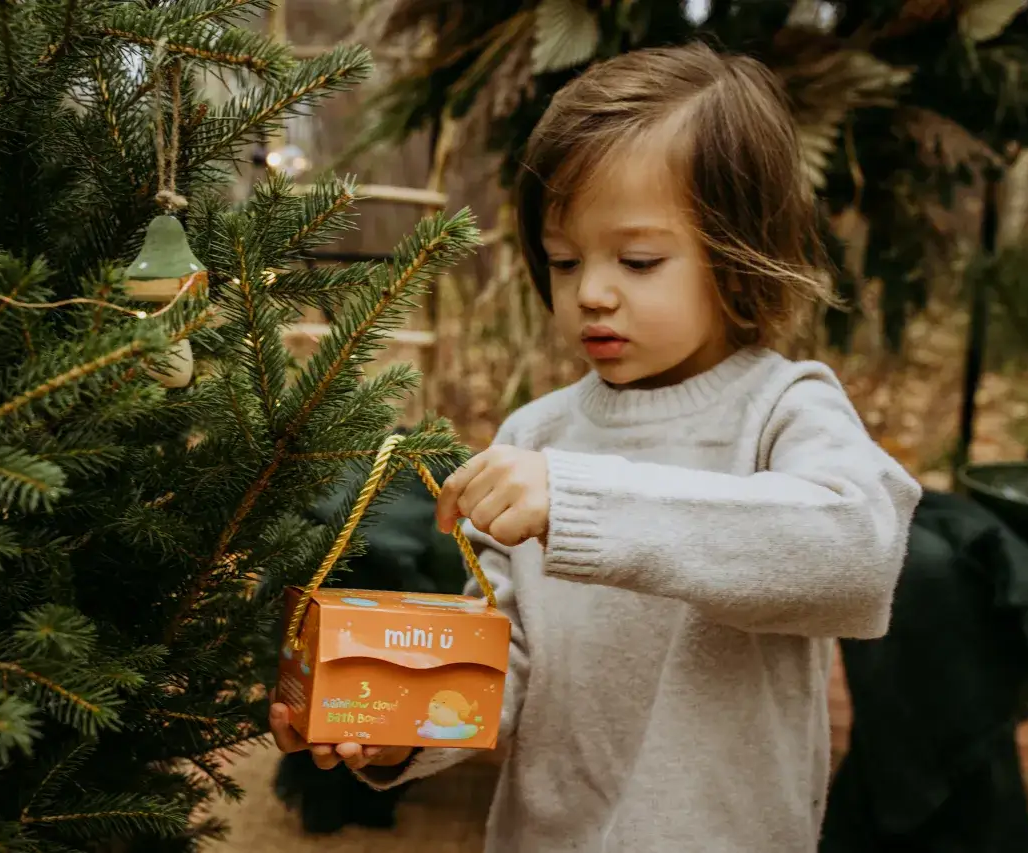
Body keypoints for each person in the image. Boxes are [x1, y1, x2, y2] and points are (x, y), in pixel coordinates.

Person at [270, 41, 921, 852]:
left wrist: (579, 503)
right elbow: (493, 665)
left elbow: (855, 553)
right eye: (564, 260)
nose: (592, 292)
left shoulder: (783, 408)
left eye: (639, 260)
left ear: (743, 253)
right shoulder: (537, 435)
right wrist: (396, 728)